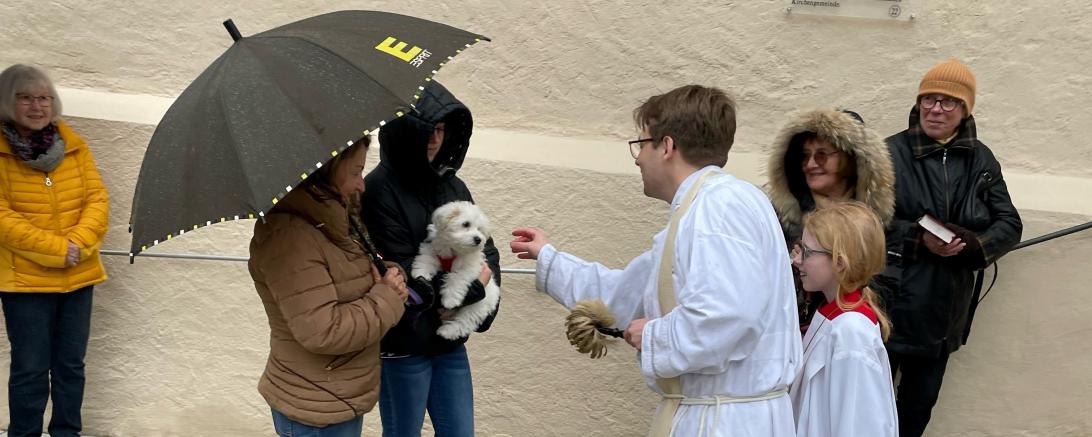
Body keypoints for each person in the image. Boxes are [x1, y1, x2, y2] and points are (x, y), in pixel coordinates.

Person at [511, 85, 801, 436]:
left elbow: (726, 315)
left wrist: (654, 333)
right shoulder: (700, 209)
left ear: (667, 146)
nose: (636, 158)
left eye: (641, 144)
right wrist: (550, 259)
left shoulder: (720, 206)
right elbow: (626, 294)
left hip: (726, 423)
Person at [882, 58, 1022, 437]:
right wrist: (917, 237)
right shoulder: (889, 154)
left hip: (944, 315)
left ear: (965, 109)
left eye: (948, 101)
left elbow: (1010, 224)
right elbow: (865, 223)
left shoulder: (982, 159)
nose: (935, 109)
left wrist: (975, 244)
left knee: (917, 410)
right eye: (928, 99)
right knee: (871, 411)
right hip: (890, 309)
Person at [361, 81, 499, 437]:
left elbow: (487, 250)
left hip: (450, 342)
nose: (436, 139)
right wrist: (471, 290)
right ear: (405, 132)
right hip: (404, 345)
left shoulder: (453, 185)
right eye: (427, 130)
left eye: (442, 130)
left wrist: (475, 306)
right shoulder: (378, 190)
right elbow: (399, 270)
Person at [248, 135, 408, 436]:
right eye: (356, 172)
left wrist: (391, 279)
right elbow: (323, 330)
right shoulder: (289, 237)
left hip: (338, 395)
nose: (363, 184)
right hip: (312, 407)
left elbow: (365, 276)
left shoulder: (337, 220)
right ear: (327, 170)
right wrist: (387, 296)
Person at [0, 64, 109, 437]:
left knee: (70, 367)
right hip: (26, 284)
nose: (37, 105)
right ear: (7, 102)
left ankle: (67, 433)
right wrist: (57, 249)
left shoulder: (74, 146)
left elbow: (97, 199)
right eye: (25, 97)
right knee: (30, 369)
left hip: (79, 276)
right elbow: (2, 219)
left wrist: (77, 243)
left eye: (44, 97)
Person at [766, 108, 894, 335]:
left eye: (822, 155)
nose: (810, 164)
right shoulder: (778, 216)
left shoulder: (876, 220)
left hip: (851, 333)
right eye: (805, 155)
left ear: (850, 157)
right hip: (789, 338)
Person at [788, 202, 898, 437]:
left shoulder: (851, 332)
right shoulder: (832, 314)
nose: (797, 260)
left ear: (839, 261)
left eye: (806, 252)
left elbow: (860, 426)